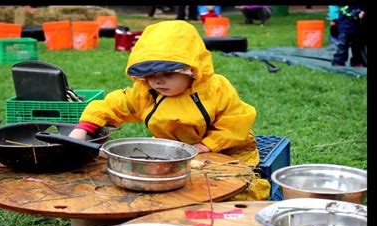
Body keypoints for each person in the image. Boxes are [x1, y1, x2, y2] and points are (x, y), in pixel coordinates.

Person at [69, 20, 270, 200]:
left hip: (227, 153)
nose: (157, 80)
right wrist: (84, 127)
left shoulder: (215, 89)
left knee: (231, 190)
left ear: (192, 71)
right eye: (150, 74)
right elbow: (112, 105)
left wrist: (207, 145)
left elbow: (236, 121)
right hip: (177, 154)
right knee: (170, 193)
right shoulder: (146, 91)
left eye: (167, 74)